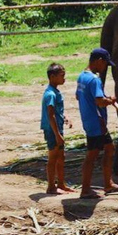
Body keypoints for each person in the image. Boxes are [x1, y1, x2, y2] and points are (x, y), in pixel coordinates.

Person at [76, 48, 118, 199]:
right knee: (92, 155)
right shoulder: (94, 79)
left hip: (91, 121)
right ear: (98, 61)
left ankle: (108, 184)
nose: (105, 67)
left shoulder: (82, 77)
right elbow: (99, 101)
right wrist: (110, 100)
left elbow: (79, 97)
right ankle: (85, 189)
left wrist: (104, 99)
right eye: (105, 64)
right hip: (97, 123)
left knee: (110, 149)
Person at [41, 63, 75, 195]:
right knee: (53, 157)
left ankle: (61, 183)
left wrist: (65, 117)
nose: (64, 78)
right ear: (52, 76)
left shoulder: (55, 92)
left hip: (57, 129)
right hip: (52, 130)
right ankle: (51, 186)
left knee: (61, 157)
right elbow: (51, 114)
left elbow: (56, 111)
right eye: (61, 76)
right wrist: (57, 135)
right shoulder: (50, 94)